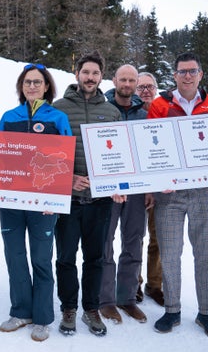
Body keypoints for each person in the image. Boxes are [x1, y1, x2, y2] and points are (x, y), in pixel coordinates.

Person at [147, 52, 208, 342]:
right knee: (170, 253)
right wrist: (158, 181)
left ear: (200, 74)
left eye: (192, 71)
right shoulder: (160, 105)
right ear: (174, 75)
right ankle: (172, 309)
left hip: (204, 191)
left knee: (206, 252)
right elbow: (151, 146)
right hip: (170, 193)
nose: (187, 76)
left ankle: (206, 312)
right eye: (182, 71)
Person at [0, 63, 72, 342]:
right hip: (12, 201)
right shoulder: (9, 117)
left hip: (44, 202)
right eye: (27, 82)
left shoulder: (58, 118)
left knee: (41, 259)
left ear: (47, 86)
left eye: (37, 82)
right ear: (21, 86)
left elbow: (65, 159)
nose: (32, 86)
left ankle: (42, 317)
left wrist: (57, 196)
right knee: (15, 256)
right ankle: (21, 312)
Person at [52, 51, 121, 337]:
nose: (90, 77)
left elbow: (120, 155)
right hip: (67, 200)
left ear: (102, 77)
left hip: (100, 201)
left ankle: (91, 308)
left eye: (95, 73)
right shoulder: (58, 108)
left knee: (95, 258)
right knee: (66, 257)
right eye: (85, 72)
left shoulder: (112, 112)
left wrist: (119, 185)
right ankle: (68, 307)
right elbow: (49, 153)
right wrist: (67, 180)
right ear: (76, 74)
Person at [99, 64, 151, 325]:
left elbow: (153, 154)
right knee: (105, 242)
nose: (128, 84)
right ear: (114, 81)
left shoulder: (145, 114)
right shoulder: (104, 110)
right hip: (108, 188)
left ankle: (127, 297)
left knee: (134, 240)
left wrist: (151, 187)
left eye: (132, 80)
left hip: (137, 188)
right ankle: (106, 299)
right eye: (123, 79)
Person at [135, 71, 164, 306]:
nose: (145, 90)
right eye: (141, 87)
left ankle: (155, 284)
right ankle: (133, 282)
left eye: (149, 86)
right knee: (135, 237)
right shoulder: (130, 113)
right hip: (136, 185)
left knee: (158, 237)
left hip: (160, 186)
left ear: (156, 89)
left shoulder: (164, 112)